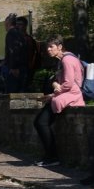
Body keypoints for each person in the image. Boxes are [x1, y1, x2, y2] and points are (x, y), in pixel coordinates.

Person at [33, 36, 85, 167]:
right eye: (47, 47)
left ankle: (52, 156)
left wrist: (52, 93)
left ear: (60, 47)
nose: (48, 49)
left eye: (51, 47)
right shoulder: (64, 59)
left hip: (70, 95)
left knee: (41, 122)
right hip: (66, 94)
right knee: (40, 122)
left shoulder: (67, 59)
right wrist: (55, 84)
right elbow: (61, 80)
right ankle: (50, 155)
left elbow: (68, 84)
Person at [2, 13, 28, 93]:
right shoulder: (19, 33)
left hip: (16, 69)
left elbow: (14, 50)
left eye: (5, 23)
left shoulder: (11, 33)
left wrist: (14, 67)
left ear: (8, 23)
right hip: (21, 67)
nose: (4, 26)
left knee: (13, 92)